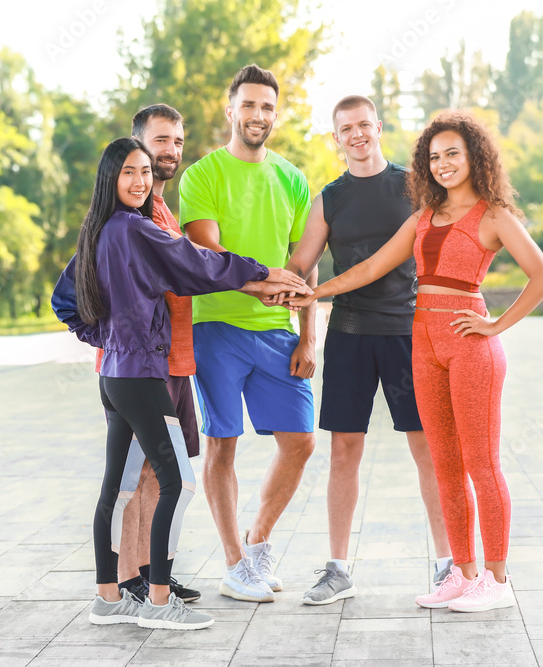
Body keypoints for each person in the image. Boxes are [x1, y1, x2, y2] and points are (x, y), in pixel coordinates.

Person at [285, 110, 543, 612]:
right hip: (422, 343)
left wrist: (495, 326)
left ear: (475, 156)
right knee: (447, 466)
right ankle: (462, 572)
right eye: (434, 157)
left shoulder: (494, 215)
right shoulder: (423, 217)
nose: (444, 163)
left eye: (453, 153)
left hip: (469, 344)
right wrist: (313, 295)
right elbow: (368, 268)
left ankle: (496, 581)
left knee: (481, 463)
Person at [52, 137, 310, 629]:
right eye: (129, 172)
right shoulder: (136, 227)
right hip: (144, 375)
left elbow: (64, 300)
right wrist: (261, 271)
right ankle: (157, 601)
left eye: (146, 172)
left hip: (116, 375)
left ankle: (108, 600)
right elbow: (195, 262)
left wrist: (106, 336)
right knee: (180, 482)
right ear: (111, 178)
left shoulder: (100, 230)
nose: (141, 181)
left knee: (119, 487)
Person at [280, 96, 451, 605]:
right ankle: (338, 569)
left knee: (426, 448)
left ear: (378, 127)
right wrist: (262, 282)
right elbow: (302, 264)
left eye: (363, 125)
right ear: (336, 139)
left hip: (408, 332)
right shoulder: (328, 199)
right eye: (345, 129)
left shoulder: (415, 186)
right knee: (344, 450)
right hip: (350, 335)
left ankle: (448, 564)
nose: (356, 134)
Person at [180, 64, 317, 603]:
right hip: (216, 325)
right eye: (249, 105)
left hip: (277, 331)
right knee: (223, 443)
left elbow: (306, 269)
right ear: (229, 109)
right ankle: (234, 563)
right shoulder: (203, 175)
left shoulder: (292, 178)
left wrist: (309, 337)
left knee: (301, 442)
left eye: (266, 107)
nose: (257, 115)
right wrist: (260, 283)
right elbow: (206, 254)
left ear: (275, 116)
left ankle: (257, 543)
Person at [99, 105, 199, 605]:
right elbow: (198, 267)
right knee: (142, 481)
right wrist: (108, 336)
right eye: (161, 141)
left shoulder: (160, 213)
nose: (170, 151)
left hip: (174, 360)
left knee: (156, 482)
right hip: (143, 368)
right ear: (137, 145)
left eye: (178, 141)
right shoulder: (129, 220)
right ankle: (132, 583)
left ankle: (145, 573)